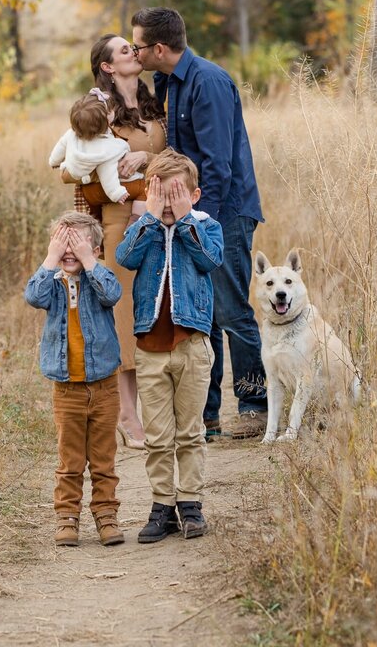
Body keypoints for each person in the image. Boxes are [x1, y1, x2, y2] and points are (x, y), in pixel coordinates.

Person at [130, 7, 268, 440]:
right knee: (202, 315)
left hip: (223, 213)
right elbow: (181, 155)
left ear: (158, 48)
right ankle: (206, 417)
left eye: (137, 45)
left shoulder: (207, 82)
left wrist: (197, 222)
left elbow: (216, 165)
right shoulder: (167, 83)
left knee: (230, 311)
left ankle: (254, 405)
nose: (134, 51)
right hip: (194, 213)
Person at [61, 35, 168, 450]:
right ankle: (126, 412)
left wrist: (149, 161)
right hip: (119, 220)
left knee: (151, 307)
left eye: (133, 48)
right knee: (124, 313)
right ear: (107, 66)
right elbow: (69, 170)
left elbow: (170, 153)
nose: (134, 53)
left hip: (158, 217)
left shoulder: (151, 102)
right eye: (124, 50)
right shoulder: (97, 109)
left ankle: (148, 408)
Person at [115, 150, 223, 542]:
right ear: (149, 193)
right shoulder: (143, 229)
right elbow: (124, 257)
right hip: (150, 349)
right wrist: (150, 216)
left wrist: (185, 221)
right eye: (160, 193)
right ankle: (162, 505)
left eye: (176, 193)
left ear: (194, 196)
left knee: (190, 432)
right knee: (159, 435)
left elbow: (211, 261)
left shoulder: (207, 227)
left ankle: (190, 502)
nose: (168, 203)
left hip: (192, 346)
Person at [23, 211, 126, 548]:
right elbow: (32, 296)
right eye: (62, 243)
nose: (70, 251)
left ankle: (106, 515)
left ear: (95, 250)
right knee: (70, 460)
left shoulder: (101, 278)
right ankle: (67, 518)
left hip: (105, 388)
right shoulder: (51, 285)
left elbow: (112, 294)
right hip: (67, 390)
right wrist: (52, 258)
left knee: (103, 459)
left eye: (78, 244)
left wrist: (87, 260)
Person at [48, 90, 146, 220]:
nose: (114, 112)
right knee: (144, 188)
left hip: (84, 187)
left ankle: (96, 219)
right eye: (111, 111)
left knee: (95, 215)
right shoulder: (109, 147)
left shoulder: (71, 134)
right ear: (107, 118)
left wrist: (53, 162)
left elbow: (60, 147)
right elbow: (107, 172)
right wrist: (116, 193)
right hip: (104, 190)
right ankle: (135, 223)